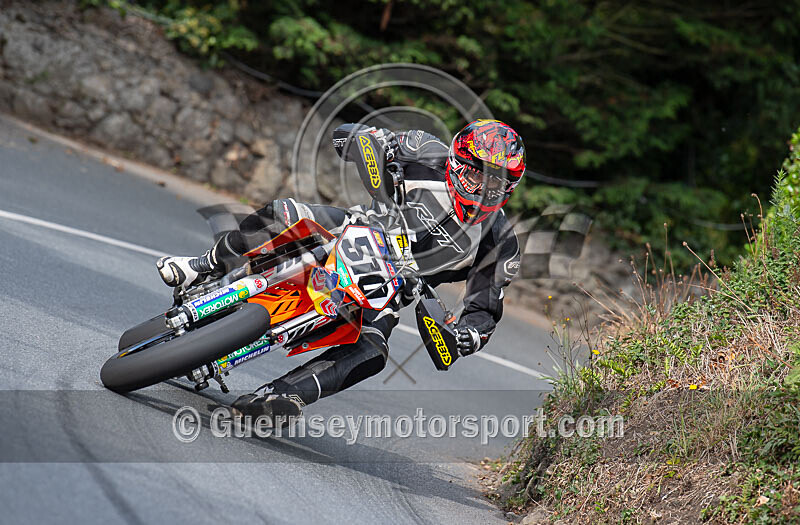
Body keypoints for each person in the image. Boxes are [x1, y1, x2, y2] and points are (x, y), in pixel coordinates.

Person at [157, 120, 526, 424]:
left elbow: (484, 310)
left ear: (509, 188)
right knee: (283, 213)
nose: (483, 190)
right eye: (478, 175)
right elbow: (352, 136)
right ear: (457, 161)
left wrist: (464, 336)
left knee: (373, 352)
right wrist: (361, 142)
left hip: (391, 289)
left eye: (496, 182)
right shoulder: (423, 149)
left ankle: (282, 396)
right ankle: (202, 266)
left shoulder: (499, 241)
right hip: (353, 229)